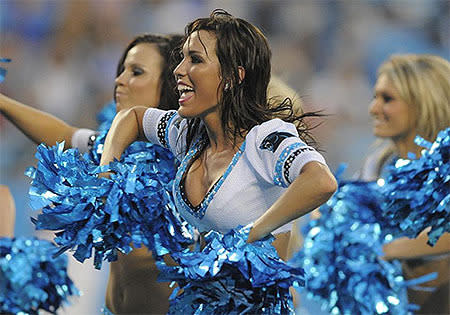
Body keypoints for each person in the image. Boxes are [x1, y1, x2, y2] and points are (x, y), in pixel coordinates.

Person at [100, 8, 336, 275]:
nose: (178, 70)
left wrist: (251, 234)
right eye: (182, 58)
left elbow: (321, 181)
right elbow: (131, 118)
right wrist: (106, 172)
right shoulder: (188, 134)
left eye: (195, 60)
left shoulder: (264, 139)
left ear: (234, 77)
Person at [0, 34, 183, 314]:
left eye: (136, 72)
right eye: (121, 70)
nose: (119, 80)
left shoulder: (186, 160)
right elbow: (64, 135)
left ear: (171, 84)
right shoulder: (114, 151)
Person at [361, 54, 450, 314]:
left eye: (387, 99)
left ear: (423, 103)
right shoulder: (378, 163)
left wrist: (384, 249)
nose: (373, 108)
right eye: (375, 96)